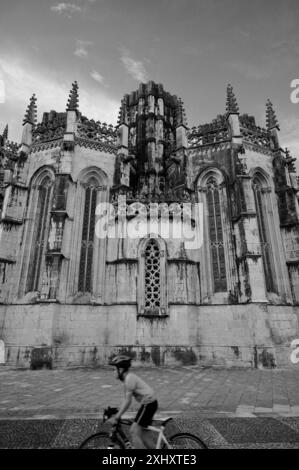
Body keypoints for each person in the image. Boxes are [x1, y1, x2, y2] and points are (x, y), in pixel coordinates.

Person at [109, 355, 158, 449]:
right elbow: (125, 400)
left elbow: (128, 401)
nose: (113, 372)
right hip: (149, 403)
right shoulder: (127, 378)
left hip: (148, 403)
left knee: (133, 431)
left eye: (114, 369)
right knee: (144, 436)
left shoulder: (129, 379)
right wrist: (117, 410)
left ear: (121, 369)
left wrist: (118, 416)